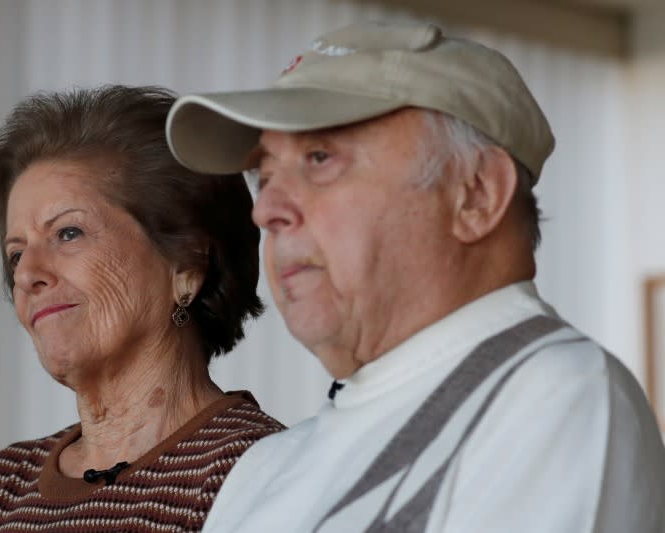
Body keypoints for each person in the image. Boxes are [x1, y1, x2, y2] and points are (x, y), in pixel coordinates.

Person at [165, 21, 665, 533]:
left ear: (476, 195)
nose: (266, 209)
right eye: (264, 176)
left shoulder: (556, 398)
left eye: (320, 158)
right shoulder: (263, 468)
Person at [0, 85, 284, 532]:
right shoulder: (1, 486)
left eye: (68, 233)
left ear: (186, 264)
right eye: (15, 254)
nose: (26, 274)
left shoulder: (258, 473)